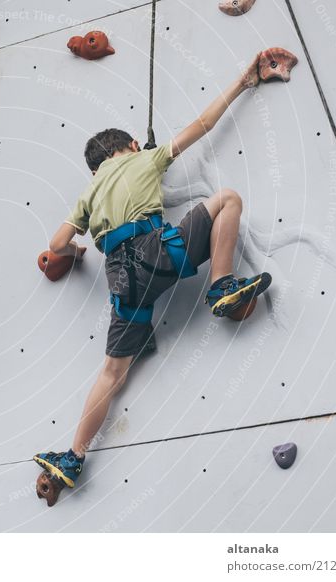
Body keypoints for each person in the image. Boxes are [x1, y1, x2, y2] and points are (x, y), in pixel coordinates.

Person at [33, 52, 273, 491]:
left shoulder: (88, 193)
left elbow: (55, 244)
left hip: (124, 285)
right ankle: (221, 284)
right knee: (228, 199)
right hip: (164, 255)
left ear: (94, 168)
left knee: (112, 374)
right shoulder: (144, 160)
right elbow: (202, 126)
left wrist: (77, 251)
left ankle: (73, 457)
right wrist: (244, 81)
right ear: (127, 147)